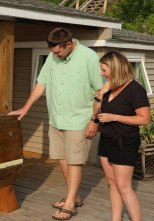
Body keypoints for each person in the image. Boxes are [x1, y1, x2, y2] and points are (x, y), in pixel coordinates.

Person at [8, 27, 104, 220]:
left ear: (69, 44)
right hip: (57, 118)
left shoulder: (89, 57)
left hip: (79, 119)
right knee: (61, 157)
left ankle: (70, 204)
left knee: (75, 160)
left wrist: (95, 120)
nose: (55, 56)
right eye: (53, 52)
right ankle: (74, 196)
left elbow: (101, 91)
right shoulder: (52, 57)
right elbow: (41, 83)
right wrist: (26, 107)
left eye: (58, 52)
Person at [94, 51, 150, 221]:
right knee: (112, 183)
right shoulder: (108, 88)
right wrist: (99, 95)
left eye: (104, 70)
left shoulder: (135, 90)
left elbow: (145, 119)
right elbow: (96, 115)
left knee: (124, 187)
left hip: (125, 142)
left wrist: (115, 117)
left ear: (116, 68)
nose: (102, 74)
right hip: (106, 139)